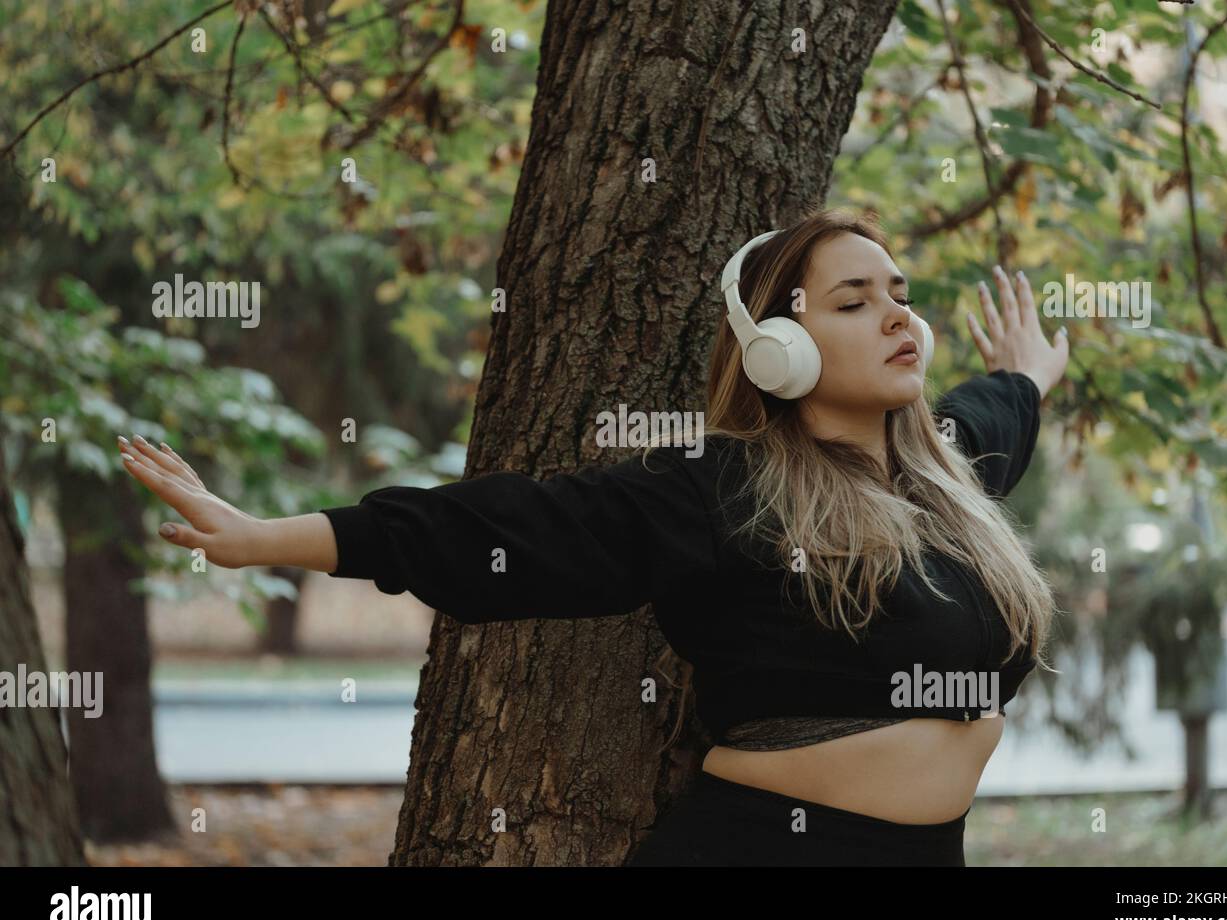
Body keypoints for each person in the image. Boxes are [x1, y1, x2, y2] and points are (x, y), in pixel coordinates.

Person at [118, 207, 1069, 866]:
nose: (899, 315)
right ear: (783, 351)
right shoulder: (723, 489)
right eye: (855, 301)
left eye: (900, 294)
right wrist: (268, 537)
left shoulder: (948, 480)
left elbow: (992, 421)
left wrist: (1023, 379)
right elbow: (506, 531)